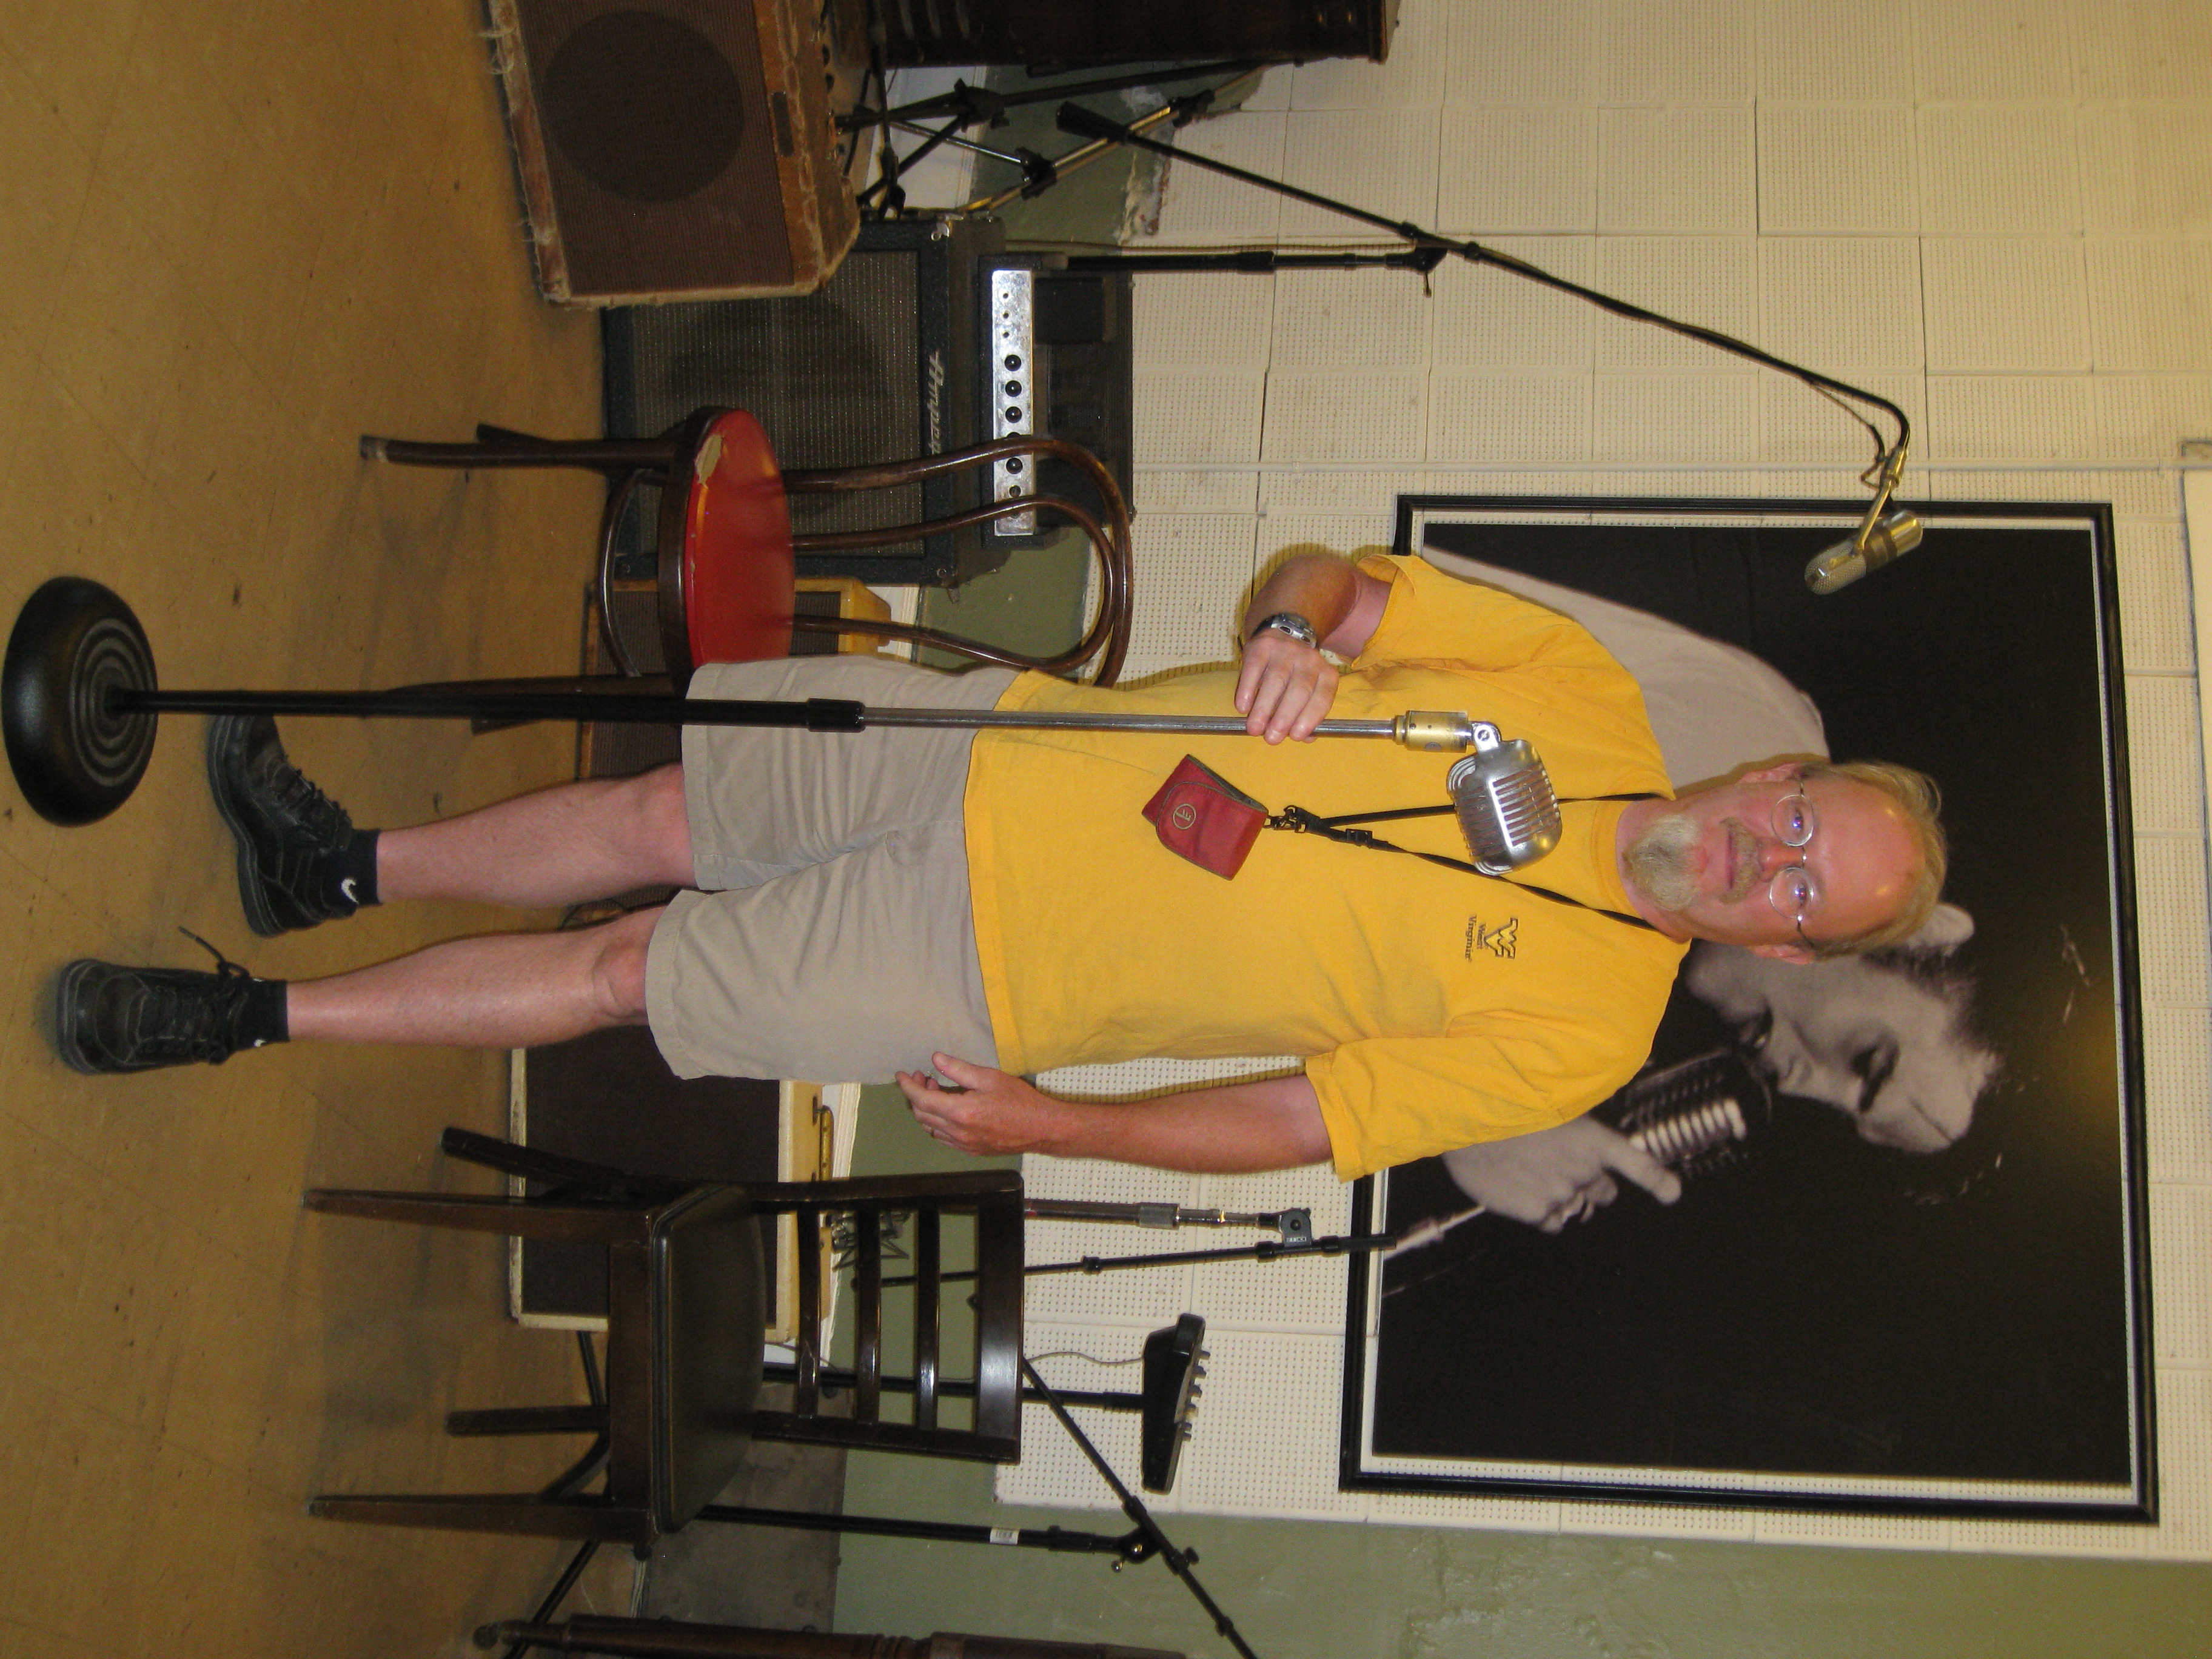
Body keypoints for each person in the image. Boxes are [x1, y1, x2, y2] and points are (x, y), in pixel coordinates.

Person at [45, 552, 1946, 1181]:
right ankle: (339, 862)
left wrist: (1061, 1125)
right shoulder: (1584, 695)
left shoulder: (1589, 1036)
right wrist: (1302, 630)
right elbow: (1336, 585)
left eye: (1808, 893)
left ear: (1794, 950)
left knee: (633, 971)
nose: (1766, 861)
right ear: (1778, 770)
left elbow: (1306, 1118)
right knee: (654, 817)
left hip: (992, 964)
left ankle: (240, 1015)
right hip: (1006, 740)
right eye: (1802, 822)